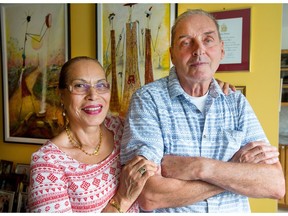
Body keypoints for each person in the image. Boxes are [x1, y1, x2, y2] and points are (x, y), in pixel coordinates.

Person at [120, 9, 285, 213]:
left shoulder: (236, 103)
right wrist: (234, 169)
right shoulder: (148, 100)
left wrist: (200, 167)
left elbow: (274, 184)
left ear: (221, 50)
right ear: (172, 54)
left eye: (208, 40)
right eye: (186, 42)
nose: (199, 50)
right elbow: (149, 194)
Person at [28, 56, 158, 213]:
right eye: (80, 86)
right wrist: (122, 198)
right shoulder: (48, 163)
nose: (93, 95)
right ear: (61, 95)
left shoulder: (122, 128)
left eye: (101, 85)